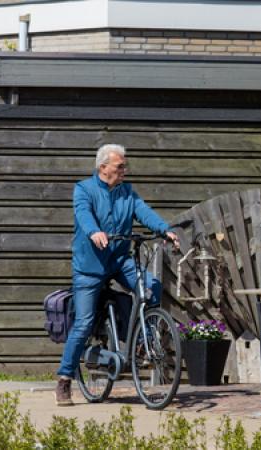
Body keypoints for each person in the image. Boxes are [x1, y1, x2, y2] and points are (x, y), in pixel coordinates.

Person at [55, 143, 179, 406]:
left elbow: (143, 212)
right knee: (84, 322)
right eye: (120, 166)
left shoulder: (127, 192)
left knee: (150, 286)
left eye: (125, 165)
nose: (124, 170)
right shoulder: (84, 190)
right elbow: (84, 215)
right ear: (103, 168)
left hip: (120, 259)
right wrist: (93, 232)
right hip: (90, 265)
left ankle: (142, 340)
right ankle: (64, 379)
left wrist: (164, 229)